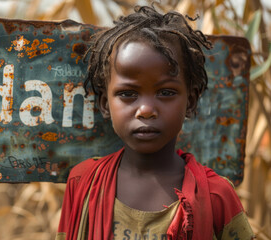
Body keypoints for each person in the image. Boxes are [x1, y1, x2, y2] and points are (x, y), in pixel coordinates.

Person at [56, 5, 255, 240]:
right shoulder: (84, 183)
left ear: (190, 102)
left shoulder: (216, 196)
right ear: (104, 104)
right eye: (128, 94)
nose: (146, 110)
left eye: (166, 92)